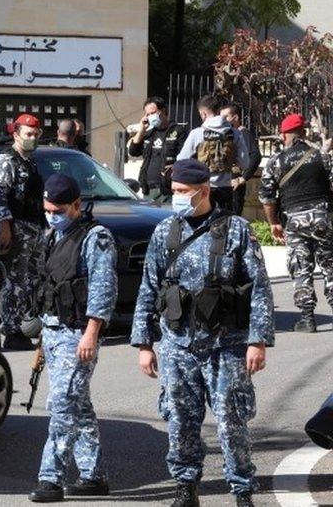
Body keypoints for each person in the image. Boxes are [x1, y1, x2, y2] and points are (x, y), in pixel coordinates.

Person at [132, 159, 274, 507]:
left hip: (226, 344)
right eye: (174, 192)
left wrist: (258, 340)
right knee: (180, 420)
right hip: (179, 344)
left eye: (183, 192)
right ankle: (186, 486)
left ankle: (241, 490)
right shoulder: (165, 232)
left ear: (204, 191)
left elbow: (259, 287)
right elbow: (149, 288)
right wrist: (144, 343)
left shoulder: (237, 230)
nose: (177, 198)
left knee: (231, 421)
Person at [28, 174, 117, 503]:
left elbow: (103, 290)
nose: (52, 214)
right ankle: (93, 475)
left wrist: (91, 333)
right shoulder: (53, 235)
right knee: (78, 406)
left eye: (59, 209)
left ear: (77, 206)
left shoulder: (96, 238)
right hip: (54, 331)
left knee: (63, 406)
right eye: (48, 208)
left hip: (79, 334)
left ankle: (49, 477)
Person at [258, 113, 333, 333]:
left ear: (284, 135)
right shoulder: (323, 157)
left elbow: (266, 196)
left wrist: (273, 223)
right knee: (329, 265)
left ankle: (308, 318)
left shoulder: (276, 161)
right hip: (321, 217)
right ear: (303, 133)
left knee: (300, 267)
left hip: (294, 220)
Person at [0, 113, 46, 351]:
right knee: (16, 281)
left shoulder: (29, 161)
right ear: (16, 134)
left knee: (34, 279)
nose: (32, 139)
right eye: (28, 134)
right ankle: (12, 331)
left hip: (34, 226)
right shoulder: (7, 160)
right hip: (17, 228)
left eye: (35, 135)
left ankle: (27, 325)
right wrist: (4, 226)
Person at [176, 94, 249, 213]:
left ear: (203, 113)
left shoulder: (197, 133)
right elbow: (245, 163)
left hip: (203, 190)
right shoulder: (235, 134)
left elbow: (181, 161)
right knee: (223, 226)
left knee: (203, 226)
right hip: (226, 190)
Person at [127, 96, 187, 203]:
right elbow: (133, 151)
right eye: (148, 114)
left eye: (153, 113)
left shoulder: (178, 131)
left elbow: (184, 157)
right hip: (148, 190)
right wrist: (141, 130)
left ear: (163, 111)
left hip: (168, 189)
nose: (150, 116)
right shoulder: (149, 134)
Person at [221, 104, 262, 216]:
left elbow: (255, 156)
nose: (222, 120)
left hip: (234, 183)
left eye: (226, 117)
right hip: (223, 183)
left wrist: (243, 178)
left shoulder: (242, 133)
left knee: (232, 217)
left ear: (236, 118)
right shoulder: (227, 134)